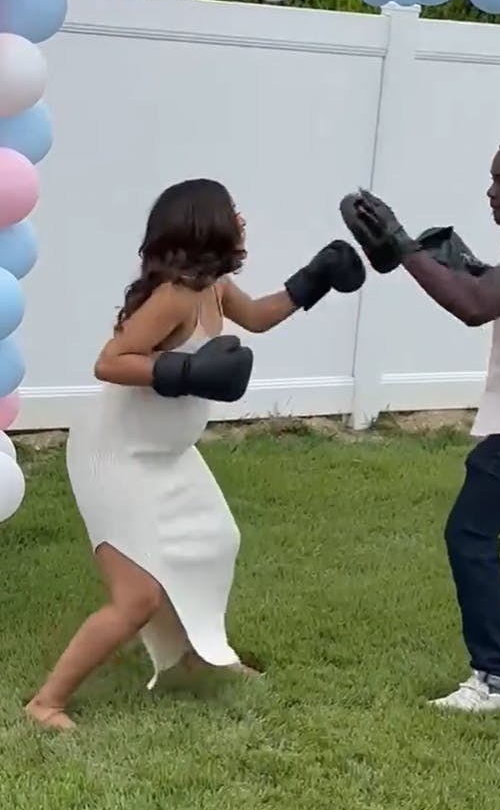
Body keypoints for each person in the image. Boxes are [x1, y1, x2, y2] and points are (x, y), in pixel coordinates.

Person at [27, 178, 365, 730]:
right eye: (232, 209)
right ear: (207, 223)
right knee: (136, 596)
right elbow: (109, 362)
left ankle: (186, 659)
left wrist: (314, 280)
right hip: (116, 452)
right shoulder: (174, 297)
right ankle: (47, 702)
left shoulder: (213, 287)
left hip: (167, 451)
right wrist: (183, 370)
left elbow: (256, 316)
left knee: (215, 540)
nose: (241, 216)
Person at [340, 131, 500, 713]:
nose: (490, 190)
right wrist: (449, 260)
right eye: (492, 177)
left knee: (470, 532)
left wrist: (404, 247)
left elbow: (475, 305)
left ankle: (493, 683)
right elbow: (499, 288)